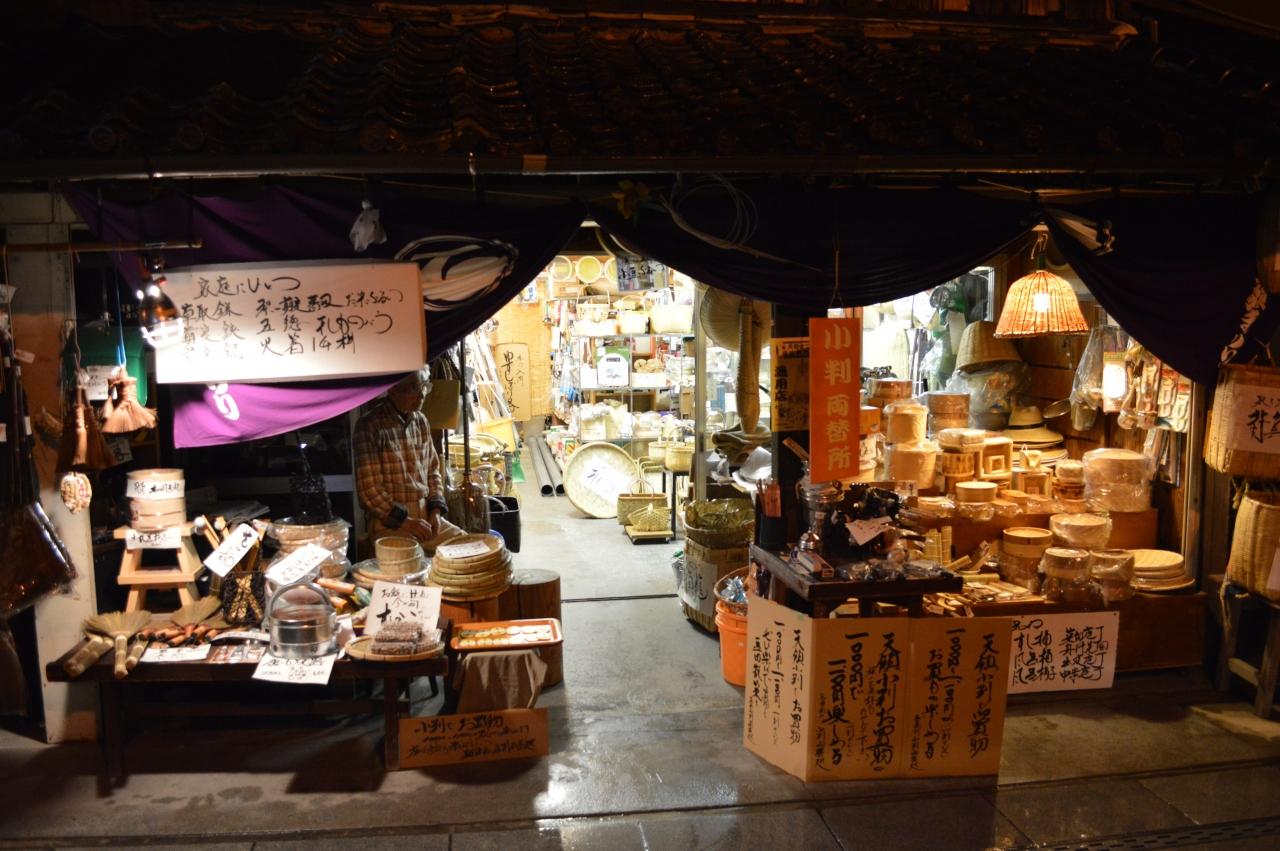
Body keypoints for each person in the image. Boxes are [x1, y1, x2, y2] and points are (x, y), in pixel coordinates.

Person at [353, 367, 450, 548]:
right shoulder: (370, 425)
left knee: (471, 548)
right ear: (393, 390)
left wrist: (435, 511)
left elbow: (432, 470)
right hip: (392, 523)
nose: (422, 395)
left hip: (426, 515)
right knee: (410, 561)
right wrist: (406, 522)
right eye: (413, 388)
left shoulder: (420, 420)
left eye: (424, 386)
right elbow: (369, 491)